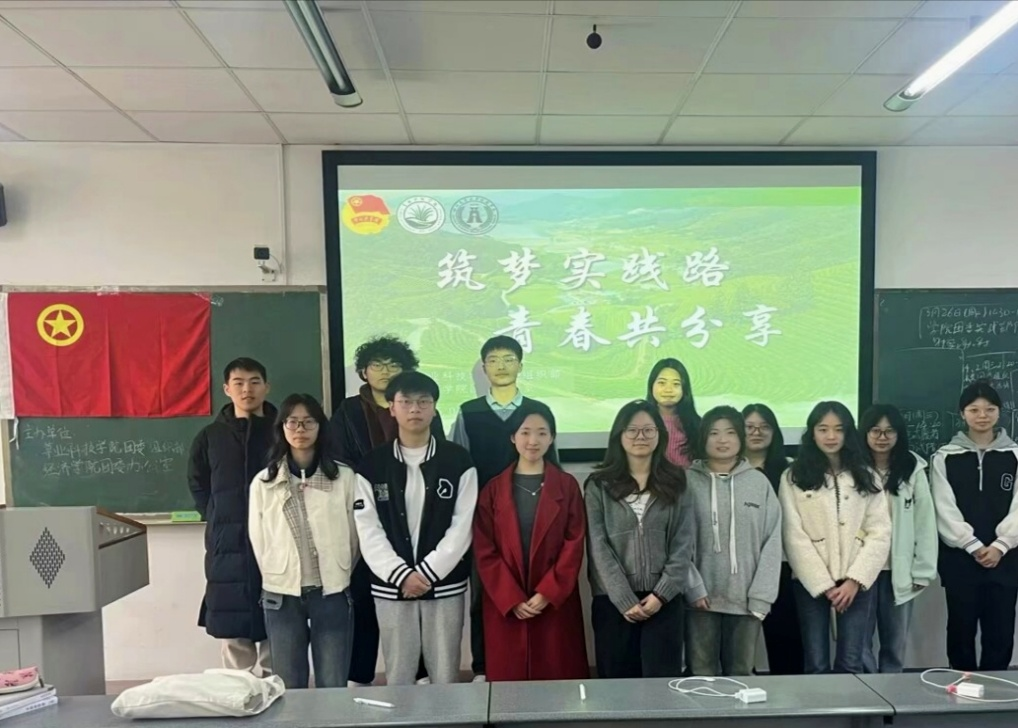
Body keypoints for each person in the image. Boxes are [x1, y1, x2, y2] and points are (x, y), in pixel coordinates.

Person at [329, 335, 444, 686]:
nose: (385, 371)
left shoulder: (420, 409)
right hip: (365, 510)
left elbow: (437, 457)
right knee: (364, 598)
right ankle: (359, 675)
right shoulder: (348, 411)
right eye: (377, 365)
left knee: (415, 592)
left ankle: (421, 672)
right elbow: (339, 459)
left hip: (414, 512)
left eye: (393, 364)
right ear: (363, 371)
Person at [354, 371, 478, 686]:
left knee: (445, 674)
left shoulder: (458, 461)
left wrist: (426, 573)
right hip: (391, 586)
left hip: (444, 583)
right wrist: (401, 575)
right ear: (391, 408)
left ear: (434, 408)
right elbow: (368, 528)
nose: (415, 409)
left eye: (423, 401)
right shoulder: (372, 464)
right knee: (399, 674)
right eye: (406, 401)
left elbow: (462, 525)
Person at [449, 335, 553, 682]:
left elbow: (553, 464)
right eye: (493, 360)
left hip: (533, 514)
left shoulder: (537, 411)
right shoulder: (469, 412)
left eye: (509, 359)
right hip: (485, 519)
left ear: (520, 365)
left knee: (536, 587)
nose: (502, 366)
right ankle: (483, 666)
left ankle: (535, 660)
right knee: (485, 592)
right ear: (484, 368)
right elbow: (459, 465)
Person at [472, 402, 589, 681]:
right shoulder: (493, 489)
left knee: (558, 678)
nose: (533, 440)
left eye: (542, 433)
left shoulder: (567, 486)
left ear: (552, 438)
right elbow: (484, 550)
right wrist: (511, 598)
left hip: (554, 602)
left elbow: (574, 544)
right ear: (513, 437)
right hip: (506, 603)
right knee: (509, 685)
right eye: (525, 432)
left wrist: (547, 593)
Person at [249, 394, 359, 689]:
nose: (300, 429)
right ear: (282, 428)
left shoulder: (344, 477)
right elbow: (259, 540)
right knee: (288, 685)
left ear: (320, 426)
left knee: (333, 681)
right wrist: (276, 571)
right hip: (281, 593)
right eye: (293, 422)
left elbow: (354, 536)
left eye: (308, 422)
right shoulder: (264, 482)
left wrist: (340, 569)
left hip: (332, 590)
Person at [585, 400, 695, 678]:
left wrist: (661, 594)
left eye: (648, 430)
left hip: (664, 602)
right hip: (613, 602)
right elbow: (598, 546)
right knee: (617, 688)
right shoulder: (598, 485)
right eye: (632, 430)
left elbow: (683, 544)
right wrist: (623, 598)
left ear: (660, 435)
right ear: (619, 436)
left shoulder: (678, 482)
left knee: (661, 687)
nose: (640, 437)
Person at [779, 401, 891, 674]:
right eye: (823, 429)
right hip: (811, 584)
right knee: (816, 663)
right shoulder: (793, 476)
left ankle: (850, 707)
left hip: (857, 584)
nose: (831, 436)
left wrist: (854, 580)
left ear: (848, 433)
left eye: (838, 429)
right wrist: (823, 584)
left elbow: (880, 532)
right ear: (812, 432)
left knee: (851, 662)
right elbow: (793, 535)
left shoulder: (867, 475)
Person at [188, 358, 276, 676]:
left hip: (275, 539)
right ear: (227, 389)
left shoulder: (283, 432)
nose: (246, 389)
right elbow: (197, 482)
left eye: (254, 382)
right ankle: (237, 692)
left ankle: (274, 689)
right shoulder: (210, 436)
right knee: (232, 622)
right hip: (227, 544)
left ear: (266, 387)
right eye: (238, 383)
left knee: (276, 621)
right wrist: (215, 514)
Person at [685, 406, 782, 676]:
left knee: (741, 677)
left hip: (746, 601)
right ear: (703, 438)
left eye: (730, 432)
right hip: (699, 601)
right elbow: (676, 542)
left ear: (740, 437)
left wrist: (761, 597)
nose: (722, 440)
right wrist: (692, 588)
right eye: (714, 433)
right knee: (701, 675)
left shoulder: (759, 483)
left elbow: (773, 541)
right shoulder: (685, 482)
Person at [930, 381, 1018, 672]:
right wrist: (973, 545)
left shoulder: (1014, 455)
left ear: (999, 412)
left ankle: (996, 690)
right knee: (960, 631)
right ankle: (962, 689)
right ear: (962, 414)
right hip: (961, 560)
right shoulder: (945, 457)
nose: (982, 415)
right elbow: (943, 508)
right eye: (974, 409)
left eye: (989, 409)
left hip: (1005, 560)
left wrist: (1001, 545)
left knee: (1000, 632)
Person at [859, 404, 937, 674]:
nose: (882, 437)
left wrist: (924, 569)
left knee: (894, 644)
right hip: (861, 568)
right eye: (875, 431)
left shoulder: (912, 468)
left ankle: (892, 690)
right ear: (865, 433)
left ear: (899, 434)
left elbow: (925, 521)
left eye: (889, 431)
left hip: (899, 568)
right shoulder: (853, 467)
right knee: (859, 643)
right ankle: (868, 689)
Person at [742, 403, 802, 675]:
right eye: (749, 427)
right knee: (739, 647)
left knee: (785, 639)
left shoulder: (790, 470)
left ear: (774, 431)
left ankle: (789, 696)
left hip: (782, 564)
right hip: (740, 566)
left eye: (764, 426)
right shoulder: (729, 470)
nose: (757, 432)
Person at [646, 358, 700, 467]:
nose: (668, 390)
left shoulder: (696, 424)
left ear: (684, 389)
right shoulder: (640, 423)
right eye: (662, 383)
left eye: (676, 384)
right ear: (651, 386)